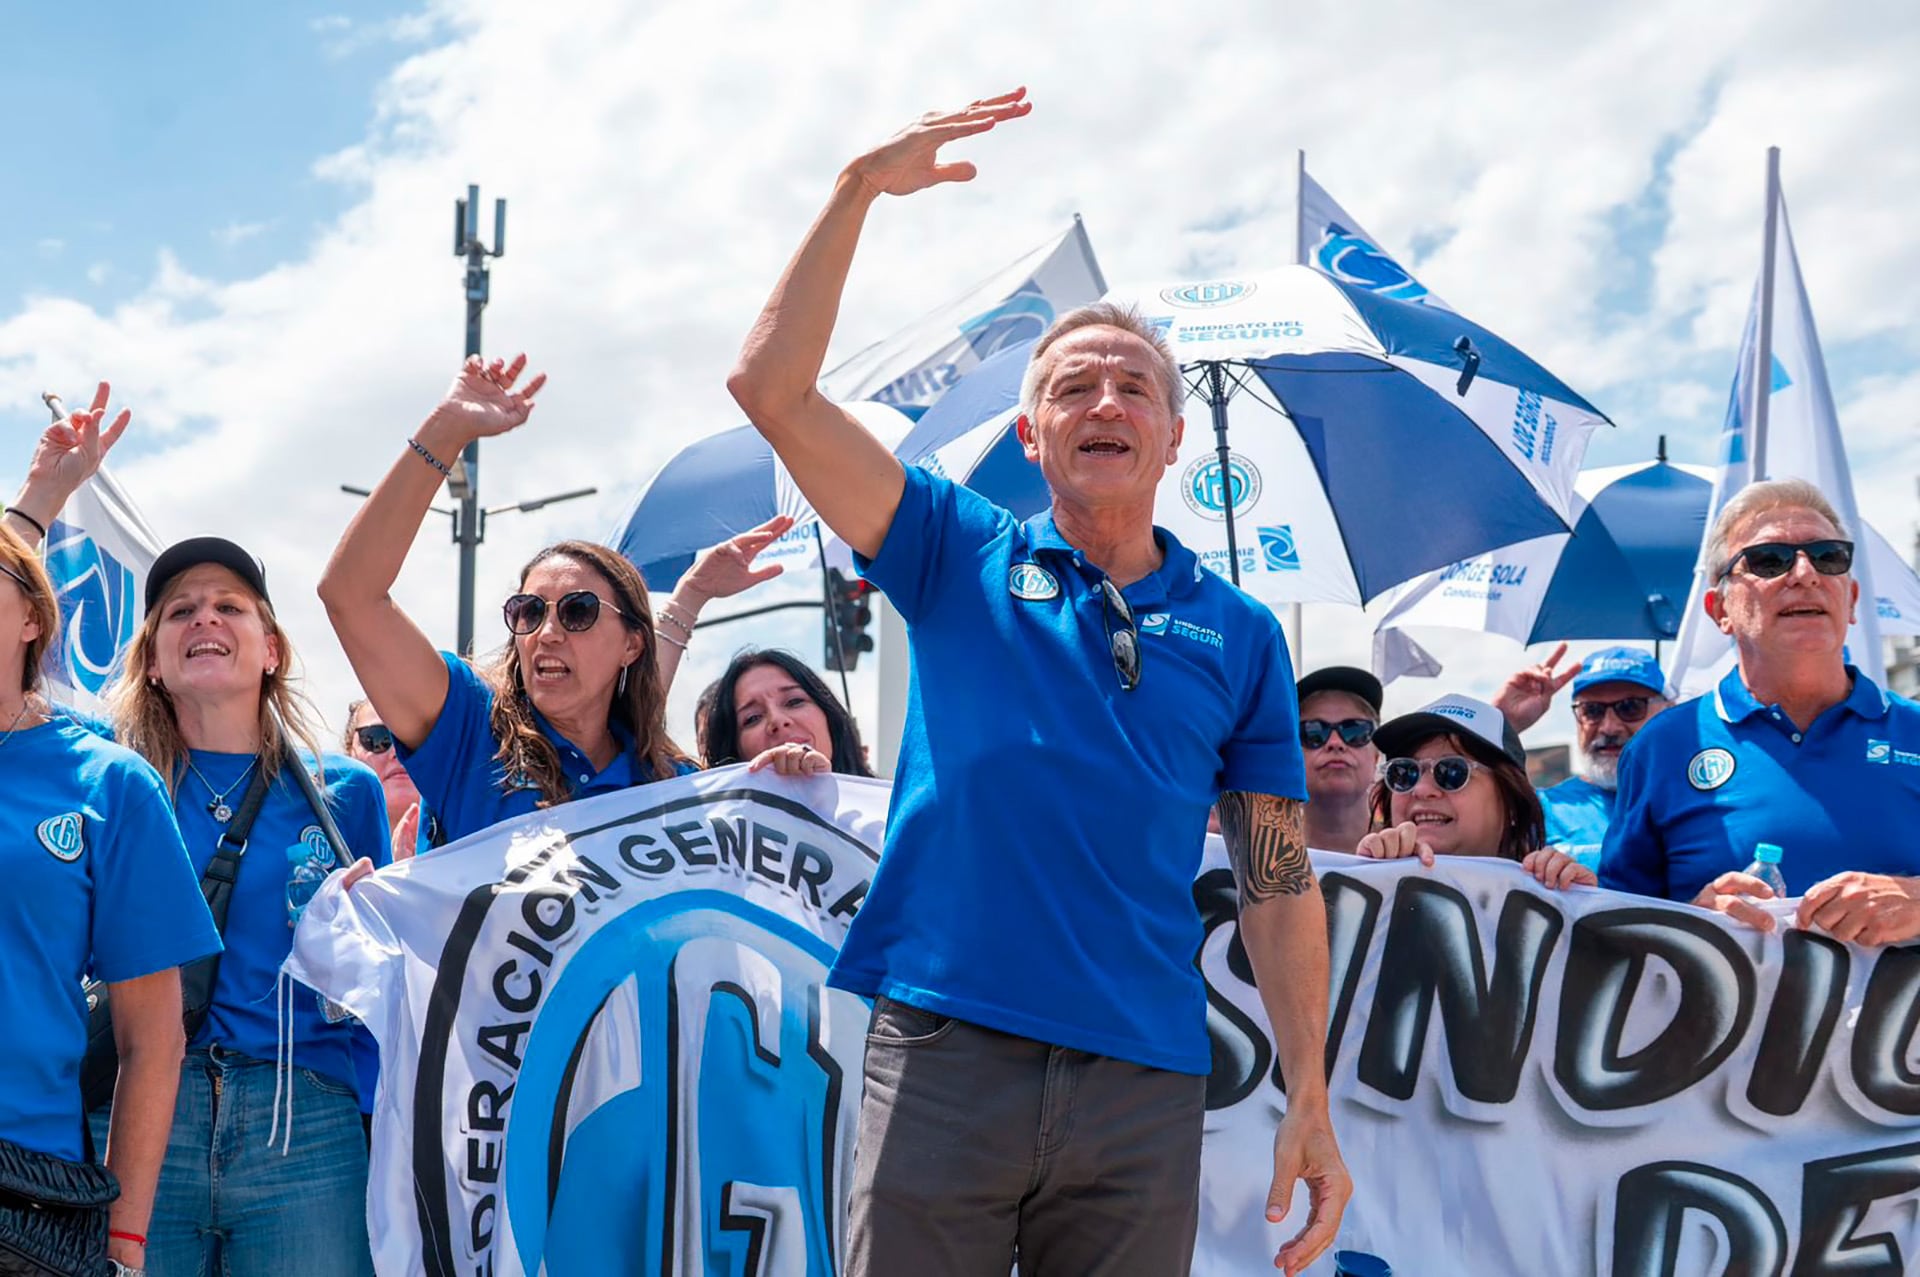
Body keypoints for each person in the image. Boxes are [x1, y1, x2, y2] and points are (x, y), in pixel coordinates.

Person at [726, 89, 1348, 1276]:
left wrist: (1309, 1091)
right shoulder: (952, 546)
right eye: (1073, 386)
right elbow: (774, 394)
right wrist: (857, 188)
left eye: (1132, 389)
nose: (1104, 401)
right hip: (945, 1053)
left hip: (1144, 1080)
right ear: (1029, 436)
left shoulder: (1244, 632)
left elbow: (1275, 878)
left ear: (1173, 439)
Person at [317, 364, 788, 843]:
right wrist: (446, 430)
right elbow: (350, 594)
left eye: (578, 611)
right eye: (529, 611)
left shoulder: (674, 783)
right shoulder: (469, 732)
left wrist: (802, 787)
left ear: (632, 644)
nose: (547, 632)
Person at [104, 535, 391, 1277]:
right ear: (154, 661)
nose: (206, 619)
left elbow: (381, 985)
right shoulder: (108, 787)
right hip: (139, 1115)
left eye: (230, 606)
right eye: (180, 611)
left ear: (270, 649)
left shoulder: (347, 793)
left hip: (308, 1125)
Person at [3, 390, 221, 1277]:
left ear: (33, 618)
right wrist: (37, 491)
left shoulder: (109, 782)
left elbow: (151, 1037)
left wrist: (125, 1245)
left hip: (28, 1196)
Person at [1600, 479, 1920, 944]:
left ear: (1850, 601)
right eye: (1770, 559)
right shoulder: (1662, 747)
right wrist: (1689, 923)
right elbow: (1609, 940)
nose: (1806, 573)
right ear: (1720, 609)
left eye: (1828, 556)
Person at [1356, 693, 1596, 891]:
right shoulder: (1360, 889)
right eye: (1404, 773)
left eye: (1451, 771)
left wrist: (1582, 910)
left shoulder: (1555, 893)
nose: (1421, 789)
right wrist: (1361, 887)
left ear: (1511, 803)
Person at [1494, 643, 1671, 864]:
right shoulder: (1538, 810)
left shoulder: (1697, 799)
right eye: (1592, 711)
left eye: (1630, 707)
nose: (1609, 727)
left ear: (1668, 710)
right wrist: (1498, 723)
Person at [699, 648, 876, 778]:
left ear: (829, 716)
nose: (777, 720)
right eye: (752, 718)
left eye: (794, 702)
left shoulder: (890, 812)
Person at [1295, 666, 1383, 854]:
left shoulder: (1416, 855)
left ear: (1376, 758)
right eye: (1314, 732)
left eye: (1355, 730)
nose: (1335, 743)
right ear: (1292, 758)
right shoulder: (1258, 858)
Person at [343, 698, 438, 856]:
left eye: (412, 737)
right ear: (350, 755)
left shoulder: (473, 840)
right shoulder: (326, 859)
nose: (397, 753)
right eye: (377, 738)